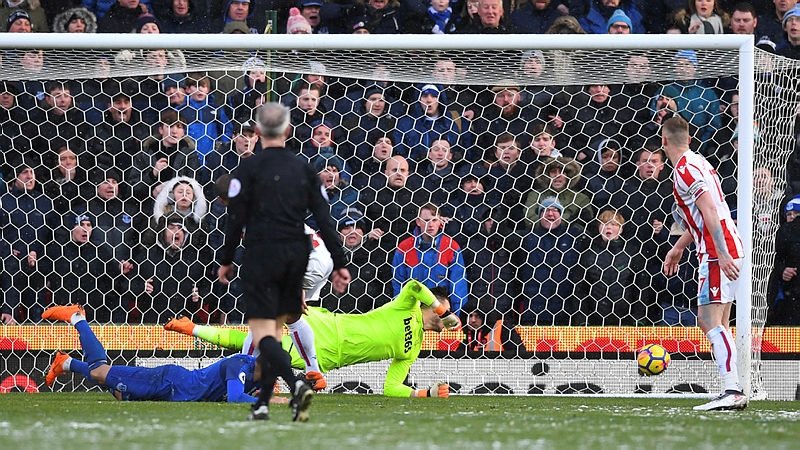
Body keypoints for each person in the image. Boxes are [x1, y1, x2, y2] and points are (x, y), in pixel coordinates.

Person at [217, 102, 351, 421]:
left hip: (263, 253)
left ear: (259, 132)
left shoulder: (246, 170)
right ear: (288, 131)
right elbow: (324, 217)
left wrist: (226, 258)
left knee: (266, 333)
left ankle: (294, 386)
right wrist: (341, 262)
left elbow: (235, 218)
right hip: (297, 253)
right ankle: (263, 403)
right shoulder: (305, 169)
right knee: (283, 324)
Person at [165, 280, 460, 398]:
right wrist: (442, 308)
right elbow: (414, 285)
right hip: (326, 325)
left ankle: (194, 329)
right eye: (436, 306)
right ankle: (193, 329)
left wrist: (423, 394)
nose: (444, 322)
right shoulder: (407, 304)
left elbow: (391, 386)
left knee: (256, 341)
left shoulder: (414, 348)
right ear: (429, 304)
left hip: (327, 358)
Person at [660, 116, 747, 411]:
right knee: (720, 323)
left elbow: (710, 211)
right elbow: (705, 213)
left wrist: (720, 254)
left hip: (715, 250)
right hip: (724, 245)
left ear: (663, 142)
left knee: (708, 321)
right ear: (690, 139)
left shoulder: (684, 170)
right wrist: (678, 247)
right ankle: (732, 387)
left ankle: (733, 389)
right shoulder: (700, 162)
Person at [41, 304, 260, 403]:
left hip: (172, 392)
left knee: (120, 394)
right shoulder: (239, 363)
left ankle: (67, 362)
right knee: (99, 371)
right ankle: (77, 317)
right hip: (169, 383)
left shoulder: (257, 374)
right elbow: (235, 397)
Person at [392, 203, 468, 315]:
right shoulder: (404, 248)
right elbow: (398, 284)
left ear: (440, 222)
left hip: (441, 313)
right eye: (426, 220)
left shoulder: (451, 246)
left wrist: (456, 316)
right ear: (418, 222)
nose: (431, 225)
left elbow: (458, 284)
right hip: (414, 312)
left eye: (434, 220)